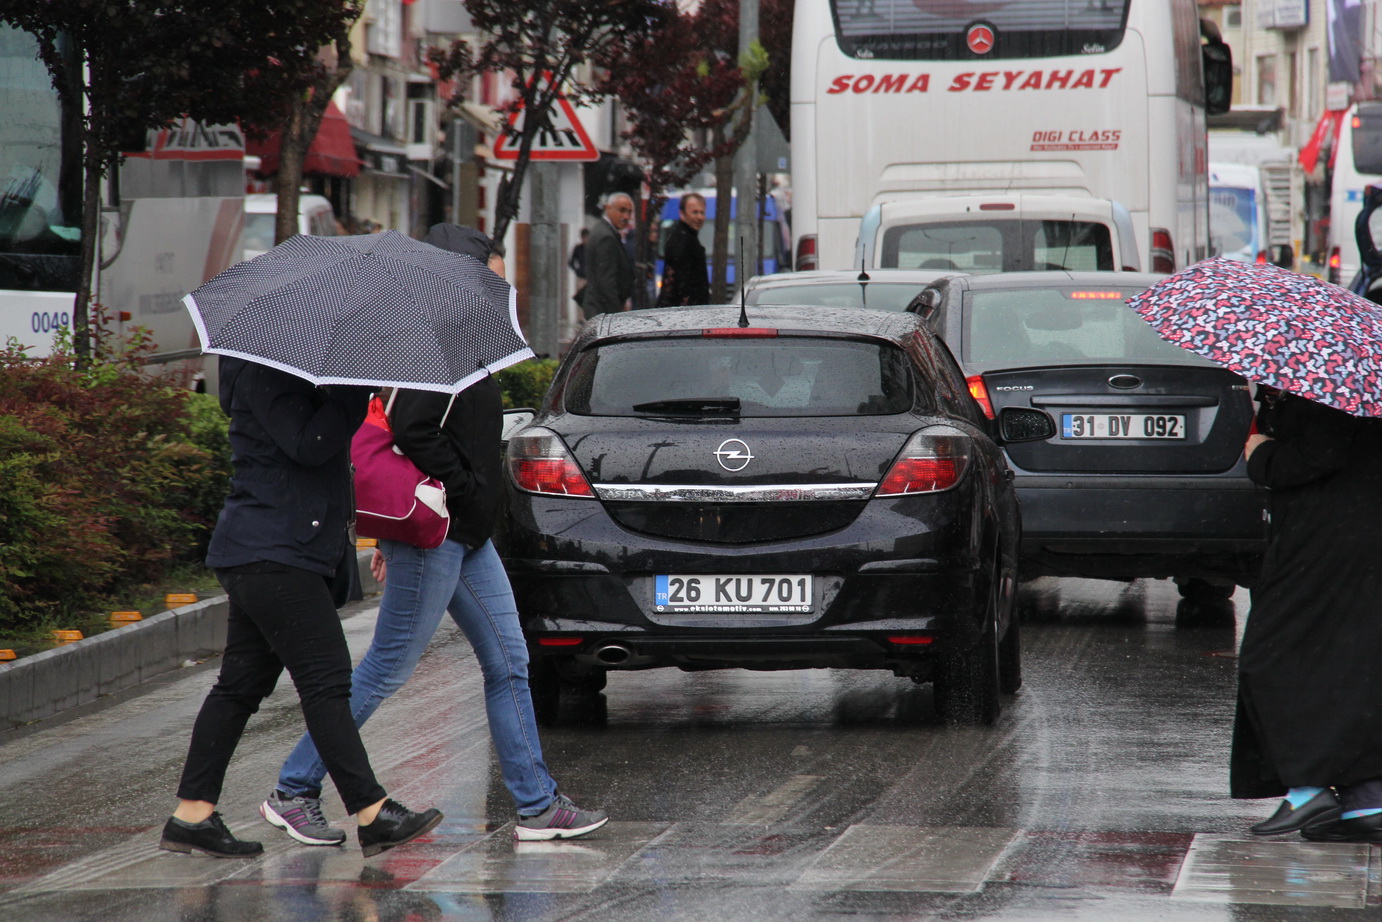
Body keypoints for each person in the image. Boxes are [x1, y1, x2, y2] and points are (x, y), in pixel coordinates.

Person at [260, 223, 609, 846]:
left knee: (509, 660)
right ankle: (293, 788)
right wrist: (466, 485)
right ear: (461, 272)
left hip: (467, 538)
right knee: (389, 667)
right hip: (437, 534)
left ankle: (536, 806)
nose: (502, 283)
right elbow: (413, 427)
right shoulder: (432, 340)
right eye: (493, 272)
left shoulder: (461, 335)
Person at [160, 357, 442, 860]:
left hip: (272, 549)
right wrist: (356, 391)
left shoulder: (288, 370)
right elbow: (308, 445)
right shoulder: (264, 372)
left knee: (241, 685)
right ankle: (372, 812)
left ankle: (192, 814)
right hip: (272, 552)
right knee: (327, 680)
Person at [1232, 386, 1382, 842]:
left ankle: (1309, 789)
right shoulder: (1355, 373)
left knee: (1276, 654)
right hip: (1355, 532)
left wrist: (1264, 455)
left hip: (1324, 540)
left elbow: (1322, 453)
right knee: (1347, 658)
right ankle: (1366, 797)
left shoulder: (1328, 385)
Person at [582, 193, 635, 318]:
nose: (626, 216)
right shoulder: (606, 236)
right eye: (622, 210)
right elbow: (606, 282)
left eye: (629, 212)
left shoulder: (602, 230)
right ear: (607, 208)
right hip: (602, 311)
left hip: (599, 308)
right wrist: (616, 315)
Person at [657, 192, 710, 307]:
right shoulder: (682, 240)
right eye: (695, 212)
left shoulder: (686, 237)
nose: (699, 217)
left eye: (702, 212)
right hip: (682, 312)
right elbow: (681, 281)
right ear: (682, 214)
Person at [569, 227, 589, 304]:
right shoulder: (578, 248)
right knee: (581, 298)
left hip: (591, 278)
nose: (585, 239)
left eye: (586, 237)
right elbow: (571, 261)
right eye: (583, 237)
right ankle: (581, 315)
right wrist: (577, 270)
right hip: (581, 277)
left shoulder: (592, 248)